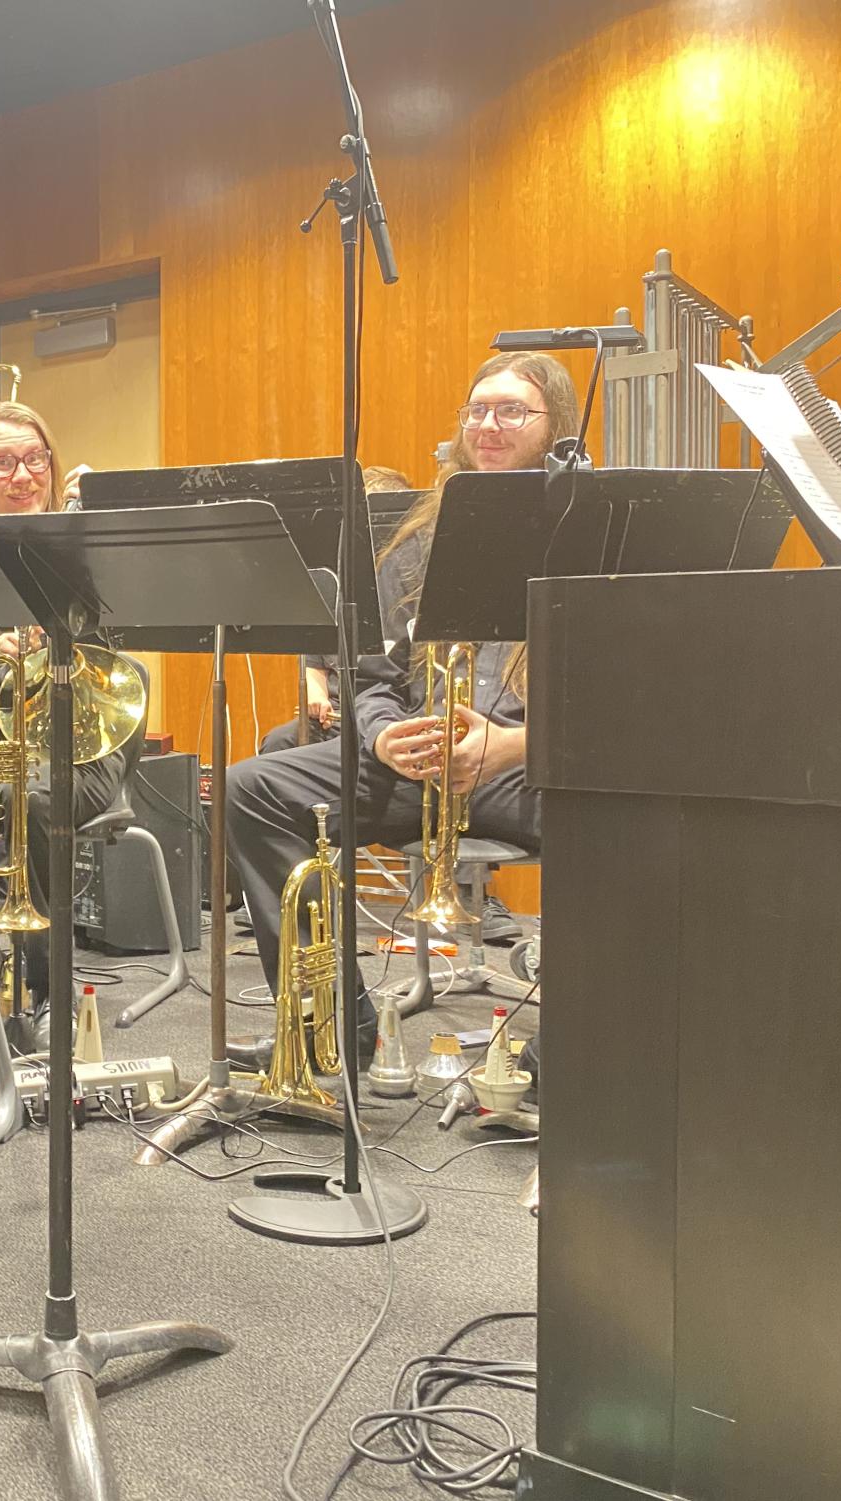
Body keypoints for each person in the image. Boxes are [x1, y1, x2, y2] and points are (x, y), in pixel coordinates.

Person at [225, 352, 576, 1072]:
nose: (487, 423)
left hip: (526, 762)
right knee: (252, 788)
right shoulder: (418, 540)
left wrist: (514, 744)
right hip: (416, 756)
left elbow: (620, 693)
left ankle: (565, 1058)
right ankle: (326, 1035)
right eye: (475, 409)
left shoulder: (588, 530)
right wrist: (385, 735)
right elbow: (373, 674)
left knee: (626, 817)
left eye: (511, 409)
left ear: (556, 427)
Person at [0, 400, 144, 1019]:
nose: (22, 475)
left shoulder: (83, 544)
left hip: (75, 744)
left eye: (34, 459)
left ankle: (45, 987)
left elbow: (118, 669)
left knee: (32, 801)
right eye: (4, 462)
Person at [256, 464, 412, 757]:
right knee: (278, 743)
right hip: (337, 715)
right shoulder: (335, 585)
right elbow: (315, 661)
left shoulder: (409, 586)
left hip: (394, 713)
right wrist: (317, 694)